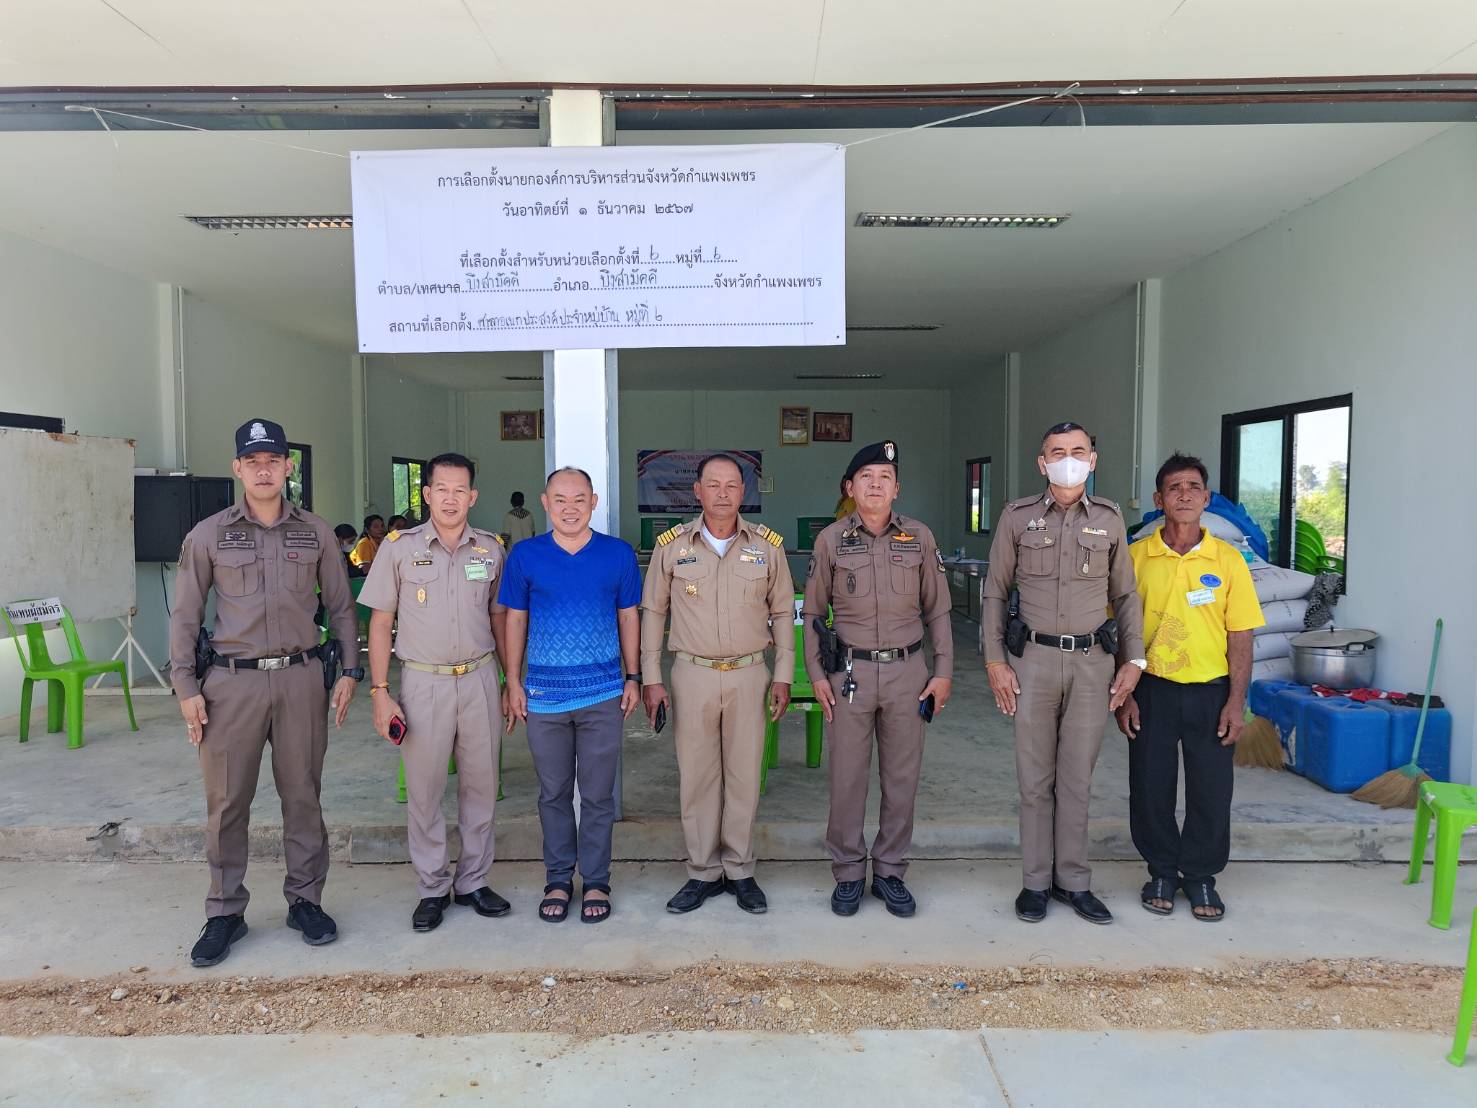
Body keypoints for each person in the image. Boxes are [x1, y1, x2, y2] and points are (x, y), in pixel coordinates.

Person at [169, 418, 361, 967]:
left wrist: (350, 671)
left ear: (287, 467)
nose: (263, 470)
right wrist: (185, 686)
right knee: (228, 801)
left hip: (301, 678)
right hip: (231, 684)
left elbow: (341, 607)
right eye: (252, 461)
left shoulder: (315, 532)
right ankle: (225, 911)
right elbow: (185, 615)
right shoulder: (208, 535)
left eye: (272, 460)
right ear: (238, 468)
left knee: (302, 795)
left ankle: (306, 901)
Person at [983, 421, 1145, 926]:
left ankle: (1073, 881)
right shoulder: (1017, 517)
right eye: (1057, 452)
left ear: (1092, 461)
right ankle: (1035, 882)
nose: (1068, 460)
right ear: (1042, 462)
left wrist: (1134, 660)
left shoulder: (1110, 519)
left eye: (1078, 451)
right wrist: (994, 660)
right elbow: (995, 590)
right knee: (1035, 780)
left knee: (1076, 779)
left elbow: (1125, 595)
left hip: (1092, 664)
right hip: (1032, 661)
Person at [359, 452, 513, 932]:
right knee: (425, 791)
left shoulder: (491, 550)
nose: (450, 498)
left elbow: (500, 618)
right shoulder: (398, 549)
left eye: (459, 490)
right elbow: (380, 623)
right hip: (423, 682)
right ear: (426, 494)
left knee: (481, 786)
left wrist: (511, 681)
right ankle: (431, 887)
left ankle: (473, 881)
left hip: (481, 677)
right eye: (441, 489)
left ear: (473, 496)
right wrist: (380, 691)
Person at [803, 441, 953, 918]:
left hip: (909, 673)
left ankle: (890, 870)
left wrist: (943, 671)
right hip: (849, 673)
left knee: (902, 778)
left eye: (884, 476)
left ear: (896, 488)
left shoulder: (919, 537)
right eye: (866, 476)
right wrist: (815, 673)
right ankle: (848, 872)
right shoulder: (831, 540)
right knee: (847, 779)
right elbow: (813, 613)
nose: (875, 484)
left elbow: (938, 610)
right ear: (850, 487)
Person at [640, 454, 795, 915]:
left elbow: (783, 612)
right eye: (713, 485)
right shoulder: (672, 547)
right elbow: (654, 613)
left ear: (743, 492)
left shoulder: (767, 547)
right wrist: (652, 679)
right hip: (693, 674)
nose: (723, 493)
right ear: (698, 491)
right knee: (698, 777)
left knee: (745, 776)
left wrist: (783, 675)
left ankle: (740, 870)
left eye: (731, 485)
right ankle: (703, 871)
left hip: (750, 674)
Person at [1115, 454, 1264, 921]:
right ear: (1159, 500)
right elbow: (1118, 629)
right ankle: (1161, 870)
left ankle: (1200, 876)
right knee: (1150, 786)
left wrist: (1236, 702)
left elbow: (1241, 634)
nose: (1184, 494)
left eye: (1193, 487)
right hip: (1151, 690)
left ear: (1206, 498)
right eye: (1174, 487)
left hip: (1211, 692)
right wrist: (1123, 696)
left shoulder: (1228, 560)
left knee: (1211, 790)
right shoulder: (1135, 557)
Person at [499, 467, 641, 924]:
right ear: (545, 503)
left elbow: (629, 616)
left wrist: (633, 676)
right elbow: (515, 618)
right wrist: (513, 680)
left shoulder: (617, 554)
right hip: (544, 695)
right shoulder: (526, 555)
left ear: (594, 502)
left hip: (603, 692)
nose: (570, 508)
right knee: (554, 793)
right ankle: (559, 878)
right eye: (560, 499)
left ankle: (596, 880)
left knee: (598, 796)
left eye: (579, 499)